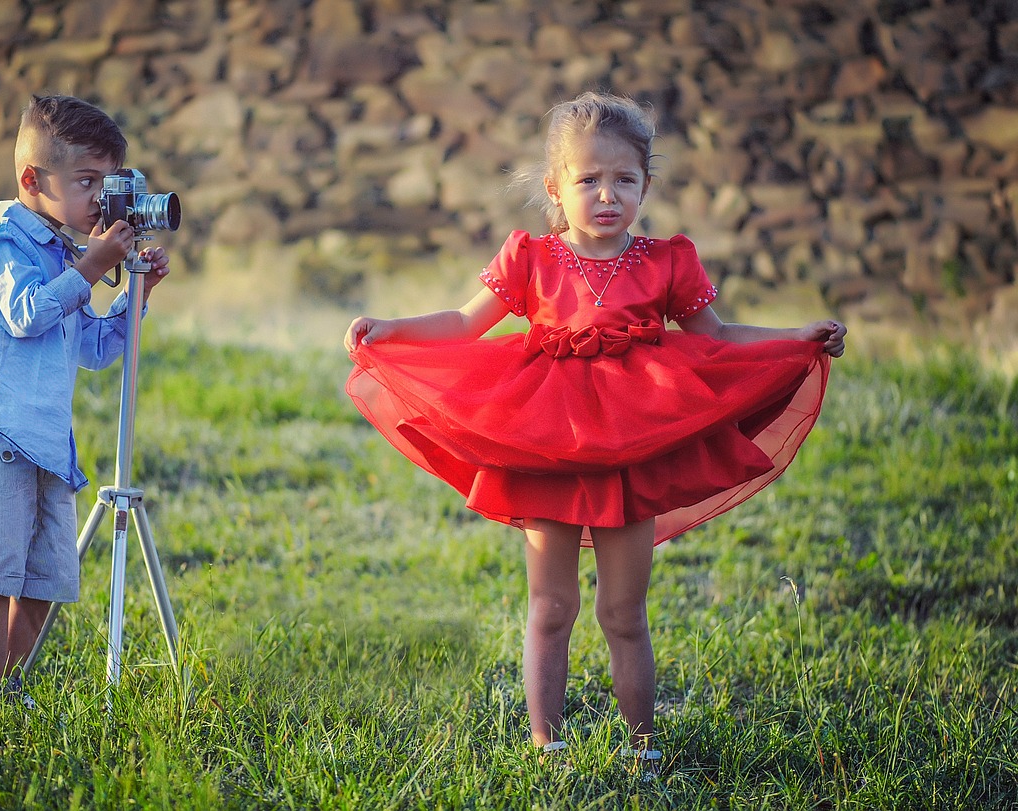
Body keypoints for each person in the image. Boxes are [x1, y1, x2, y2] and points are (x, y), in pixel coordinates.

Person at [343, 91, 846, 771]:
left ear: (646, 184)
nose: (607, 194)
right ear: (555, 187)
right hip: (545, 444)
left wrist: (795, 337)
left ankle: (644, 747)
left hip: (634, 451)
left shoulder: (668, 262)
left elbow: (719, 338)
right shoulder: (531, 258)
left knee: (623, 611)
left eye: (625, 179)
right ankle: (546, 743)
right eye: (588, 180)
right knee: (551, 605)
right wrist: (392, 329)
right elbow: (464, 324)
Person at [0, 94, 170, 707]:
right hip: (1, 436)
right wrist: (92, 268)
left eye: (108, 183)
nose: (100, 198)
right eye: (86, 181)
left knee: (44, 580)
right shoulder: (6, 244)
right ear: (31, 180)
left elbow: (94, 348)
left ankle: (11, 690)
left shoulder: (67, 254)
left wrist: (136, 295)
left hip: (48, 443)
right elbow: (26, 314)